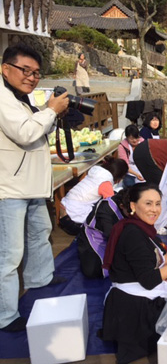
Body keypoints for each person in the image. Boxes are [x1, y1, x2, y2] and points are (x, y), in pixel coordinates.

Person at [0, 43, 70, 332]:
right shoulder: (2, 98)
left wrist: (51, 115)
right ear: (6, 68)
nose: (31, 77)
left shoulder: (20, 98)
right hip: (10, 189)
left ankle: (39, 277)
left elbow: (33, 127)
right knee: (9, 253)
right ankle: (5, 315)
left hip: (29, 185)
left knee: (40, 233)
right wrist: (51, 110)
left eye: (36, 73)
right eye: (25, 70)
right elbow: (26, 132)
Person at [99, 183, 167, 364]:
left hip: (130, 301)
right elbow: (149, 280)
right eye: (148, 204)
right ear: (133, 206)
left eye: (158, 204)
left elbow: (158, 260)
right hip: (137, 309)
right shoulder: (133, 235)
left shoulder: (138, 227)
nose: (154, 210)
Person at [59, 156, 128, 234]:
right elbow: (111, 204)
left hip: (66, 206)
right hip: (74, 220)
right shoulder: (105, 182)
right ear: (119, 176)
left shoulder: (94, 175)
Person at [76, 188, 128, 279]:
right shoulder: (106, 208)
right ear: (122, 206)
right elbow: (112, 236)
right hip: (95, 237)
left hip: (120, 236)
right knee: (92, 271)